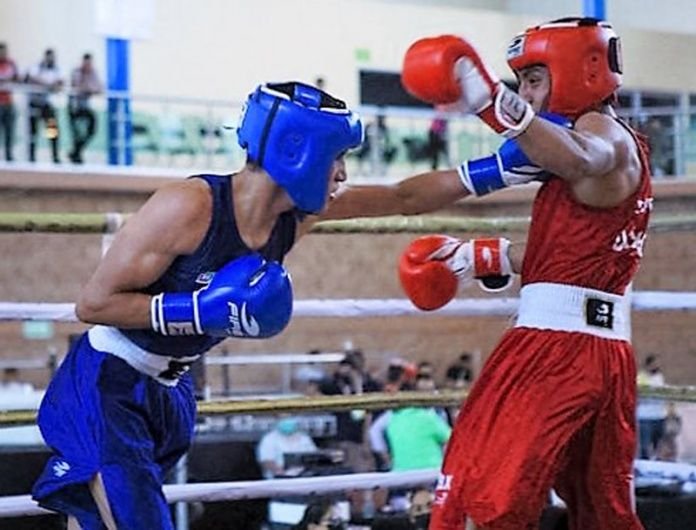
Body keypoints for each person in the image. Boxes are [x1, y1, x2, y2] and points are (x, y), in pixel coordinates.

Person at [323, 16, 652, 529]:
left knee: (481, 496)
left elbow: (585, 159)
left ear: (581, 71)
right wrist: (479, 257)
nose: (527, 94)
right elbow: (422, 194)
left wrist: (492, 102)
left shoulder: (601, 138)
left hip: (555, 350)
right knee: (602, 515)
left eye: (534, 80)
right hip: (602, 352)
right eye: (519, 83)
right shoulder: (557, 150)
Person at [31, 81, 363, 530]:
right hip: (109, 380)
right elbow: (92, 304)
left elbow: (404, 198)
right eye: (336, 156)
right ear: (297, 150)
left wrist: (468, 174)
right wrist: (195, 311)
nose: (342, 173)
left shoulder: (294, 221)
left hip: (171, 390)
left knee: (97, 520)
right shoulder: (189, 205)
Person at [25, 48, 63, 163]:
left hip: (47, 105)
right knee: (33, 131)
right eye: (49, 57)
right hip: (34, 103)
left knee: (52, 131)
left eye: (53, 57)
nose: (51, 59)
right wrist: (47, 85)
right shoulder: (36, 67)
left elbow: (59, 83)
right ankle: (31, 157)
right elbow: (32, 78)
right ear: (45, 57)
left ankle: (55, 156)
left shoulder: (57, 69)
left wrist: (50, 85)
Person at [68, 53, 102, 163]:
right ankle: (75, 155)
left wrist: (89, 88)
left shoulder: (93, 73)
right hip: (74, 106)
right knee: (75, 132)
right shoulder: (77, 72)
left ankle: (76, 152)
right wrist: (89, 88)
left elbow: (99, 88)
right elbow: (79, 87)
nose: (88, 65)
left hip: (85, 107)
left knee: (92, 129)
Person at [636, 354, 667, 459]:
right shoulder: (641, 378)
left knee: (659, 446)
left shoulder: (659, 377)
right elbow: (639, 396)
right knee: (645, 446)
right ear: (648, 365)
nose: (657, 366)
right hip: (645, 417)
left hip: (659, 416)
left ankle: (658, 463)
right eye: (654, 364)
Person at [0, 42, 19, 161]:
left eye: (4, 51)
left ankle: (9, 154)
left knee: (9, 130)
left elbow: (17, 78)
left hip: (8, 102)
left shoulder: (11, 63)